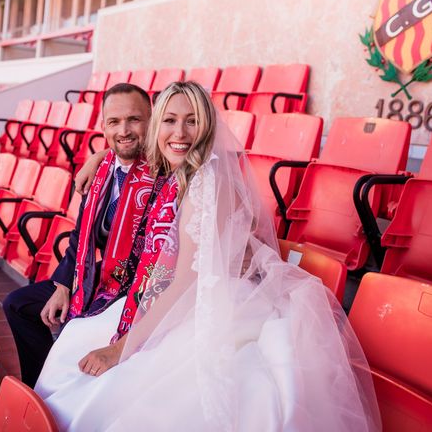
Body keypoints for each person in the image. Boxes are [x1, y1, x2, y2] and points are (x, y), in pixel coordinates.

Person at [35, 81, 381, 431]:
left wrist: (121, 349)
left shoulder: (207, 184)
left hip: (205, 304)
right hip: (178, 293)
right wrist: (99, 157)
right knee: (76, 341)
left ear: (207, 127)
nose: (179, 132)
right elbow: (131, 156)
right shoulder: (185, 170)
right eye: (169, 120)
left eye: (192, 121)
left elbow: (185, 283)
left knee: (108, 386)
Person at [2, 83, 153, 387]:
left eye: (134, 119)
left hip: (136, 288)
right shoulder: (102, 169)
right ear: (103, 127)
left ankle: (60, 387)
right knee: (18, 304)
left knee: (77, 330)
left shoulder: (162, 174)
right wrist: (62, 284)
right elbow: (79, 236)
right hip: (96, 276)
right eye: (114, 122)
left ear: (151, 120)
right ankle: (40, 387)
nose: (123, 129)